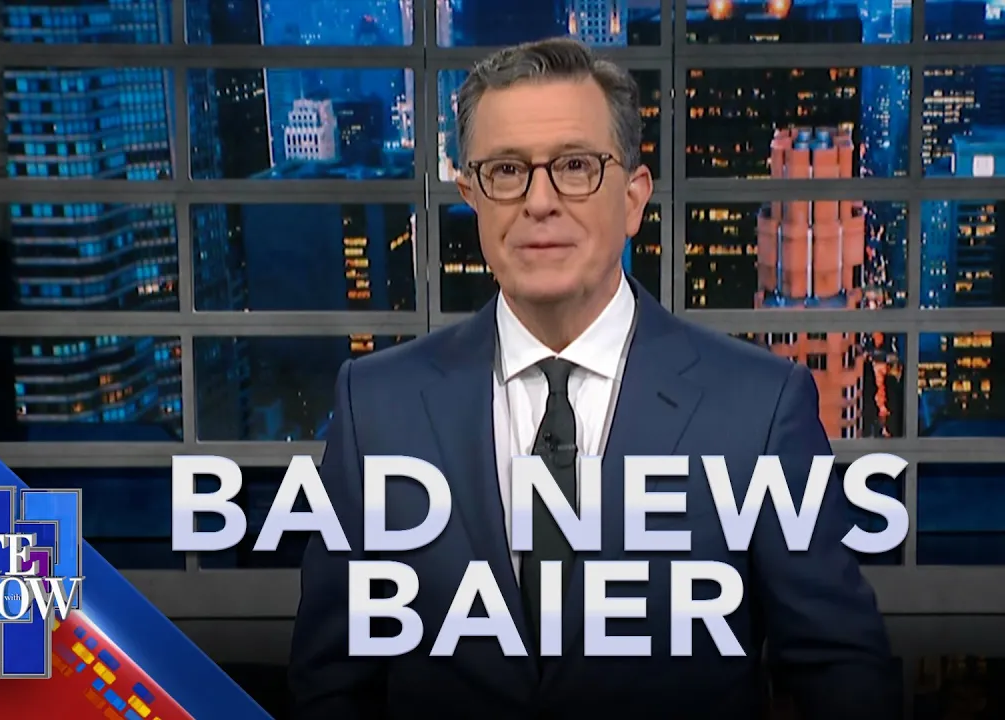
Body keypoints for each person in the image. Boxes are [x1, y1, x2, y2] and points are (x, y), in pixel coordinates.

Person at [288, 37, 898, 719]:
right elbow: (331, 683)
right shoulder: (375, 408)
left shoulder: (760, 408)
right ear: (472, 197)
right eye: (506, 171)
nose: (539, 201)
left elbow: (840, 671)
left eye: (575, 166)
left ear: (634, 198)